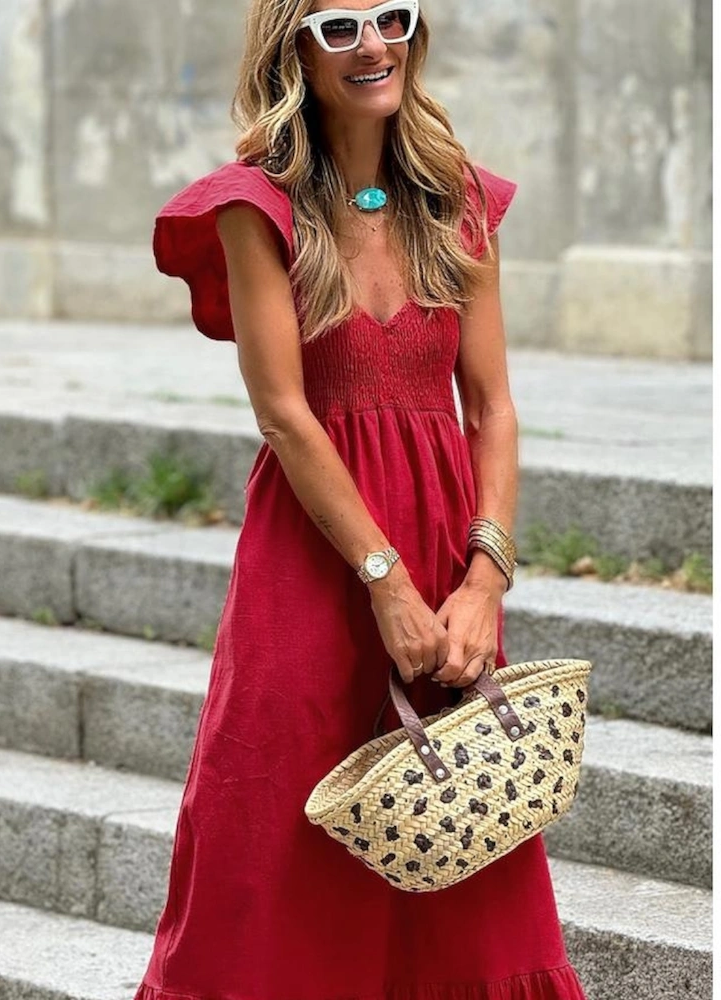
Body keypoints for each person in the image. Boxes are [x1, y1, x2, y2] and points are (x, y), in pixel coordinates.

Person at [134, 0, 587, 997]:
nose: (372, 44)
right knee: (269, 814)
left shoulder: (459, 199)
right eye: (339, 27)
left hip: (441, 537)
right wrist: (382, 580)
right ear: (292, 49)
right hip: (313, 549)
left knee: (459, 811)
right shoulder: (259, 206)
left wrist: (485, 578)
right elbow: (287, 414)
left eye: (390, 16)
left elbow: (495, 406)